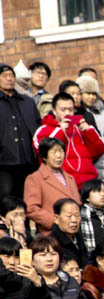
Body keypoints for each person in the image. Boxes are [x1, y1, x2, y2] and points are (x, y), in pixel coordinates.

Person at [0, 63, 42, 199]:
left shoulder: (27, 102)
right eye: (5, 76)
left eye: (12, 75)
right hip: (4, 163)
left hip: (28, 160)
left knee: (30, 197)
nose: (9, 79)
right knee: (7, 199)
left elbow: (38, 127)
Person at [24, 137, 80, 233]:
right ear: (44, 157)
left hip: (73, 231)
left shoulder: (70, 178)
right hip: (51, 233)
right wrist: (56, 221)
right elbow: (31, 208)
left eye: (61, 151)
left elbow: (78, 203)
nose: (59, 156)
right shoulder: (35, 178)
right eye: (54, 152)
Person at [76, 74, 104, 182]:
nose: (91, 97)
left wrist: (98, 141)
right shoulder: (74, 113)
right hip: (82, 160)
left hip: (103, 161)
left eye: (94, 94)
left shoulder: (103, 113)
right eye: (88, 93)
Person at [49, 198, 88, 267]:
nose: (74, 220)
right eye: (69, 216)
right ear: (56, 218)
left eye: (77, 215)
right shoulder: (51, 242)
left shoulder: (79, 237)